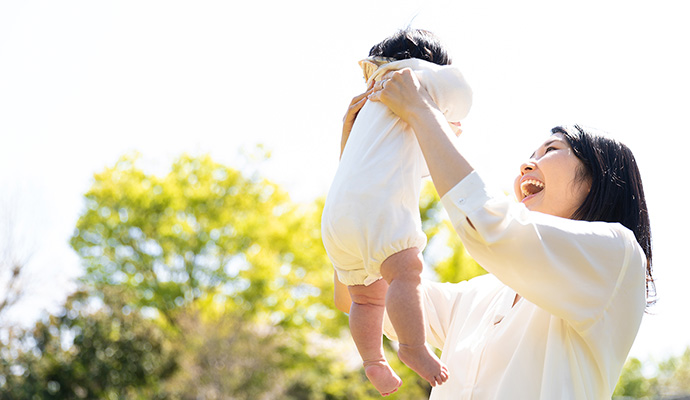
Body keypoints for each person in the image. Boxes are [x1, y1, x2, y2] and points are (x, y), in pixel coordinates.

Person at [334, 69, 654, 399]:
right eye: (531, 155)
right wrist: (357, 160)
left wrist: (421, 110)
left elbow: (488, 223)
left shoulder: (618, 259)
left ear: (599, 177)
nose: (526, 165)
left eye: (552, 149)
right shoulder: (476, 297)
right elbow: (359, 290)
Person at [321, 28, 473, 396]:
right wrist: (443, 113)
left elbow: (411, 162)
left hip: (335, 218)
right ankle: (412, 346)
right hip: (375, 208)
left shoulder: (367, 107)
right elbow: (462, 96)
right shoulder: (413, 77)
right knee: (407, 272)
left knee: (365, 296)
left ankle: (373, 359)